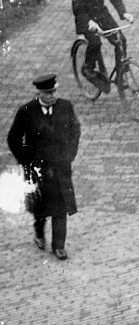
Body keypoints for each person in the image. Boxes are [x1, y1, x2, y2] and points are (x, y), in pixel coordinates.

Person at [7, 73, 80, 261]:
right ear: (39, 93)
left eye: (54, 91)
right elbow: (14, 138)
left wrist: (69, 155)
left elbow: (75, 131)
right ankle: (39, 233)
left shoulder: (65, 106)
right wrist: (26, 160)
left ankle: (59, 246)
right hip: (38, 170)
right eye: (48, 93)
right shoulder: (27, 111)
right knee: (40, 208)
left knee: (60, 208)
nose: (52, 95)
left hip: (60, 168)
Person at [71, 0, 134, 89]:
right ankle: (88, 68)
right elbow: (78, 9)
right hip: (86, 18)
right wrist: (89, 22)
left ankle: (119, 75)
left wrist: (124, 13)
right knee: (95, 42)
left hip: (102, 15)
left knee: (121, 40)